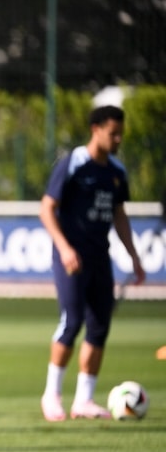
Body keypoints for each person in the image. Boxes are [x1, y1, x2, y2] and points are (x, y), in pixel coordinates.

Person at [38, 105, 146, 422]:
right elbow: (47, 208)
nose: (117, 139)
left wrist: (134, 256)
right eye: (113, 133)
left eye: (120, 134)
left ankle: (84, 399)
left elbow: (119, 215)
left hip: (100, 257)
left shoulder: (115, 172)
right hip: (70, 257)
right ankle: (52, 395)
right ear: (95, 129)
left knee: (100, 325)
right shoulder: (74, 163)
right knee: (71, 322)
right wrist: (65, 248)